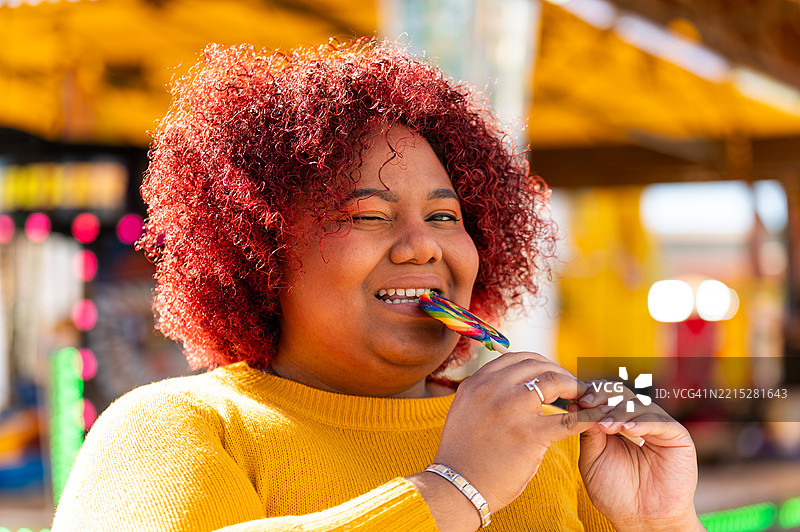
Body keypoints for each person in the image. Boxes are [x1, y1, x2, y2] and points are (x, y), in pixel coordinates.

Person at [52, 38, 705, 531]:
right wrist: (454, 487)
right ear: (262, 253)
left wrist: (662, 522)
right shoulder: (177, 427)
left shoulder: (551, 445)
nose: (423, 244)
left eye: (446, 216)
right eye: (368, 215)